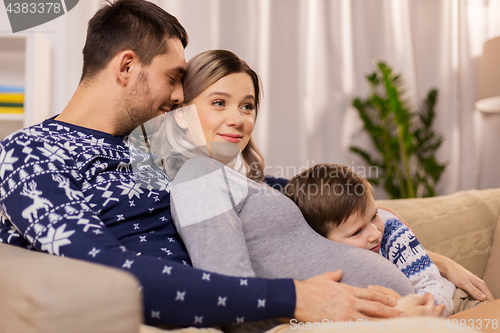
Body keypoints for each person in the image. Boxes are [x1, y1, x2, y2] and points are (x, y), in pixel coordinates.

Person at [0, 0, 493, 330]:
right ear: (127, 67)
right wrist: (295, 299)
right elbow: (107, 272)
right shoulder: (30, 154)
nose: (179, 96)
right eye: (174, 78)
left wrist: (418, 256)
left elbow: (280, 193)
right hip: (241, 309)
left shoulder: (148, 150)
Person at [284, 163, 461, 316]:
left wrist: (410, 315)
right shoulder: (317, 262)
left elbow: (434, 286)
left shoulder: (394, 235)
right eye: (357, 231)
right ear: (322, 241)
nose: (375, 234)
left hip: (448, 304)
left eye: (374, 215)